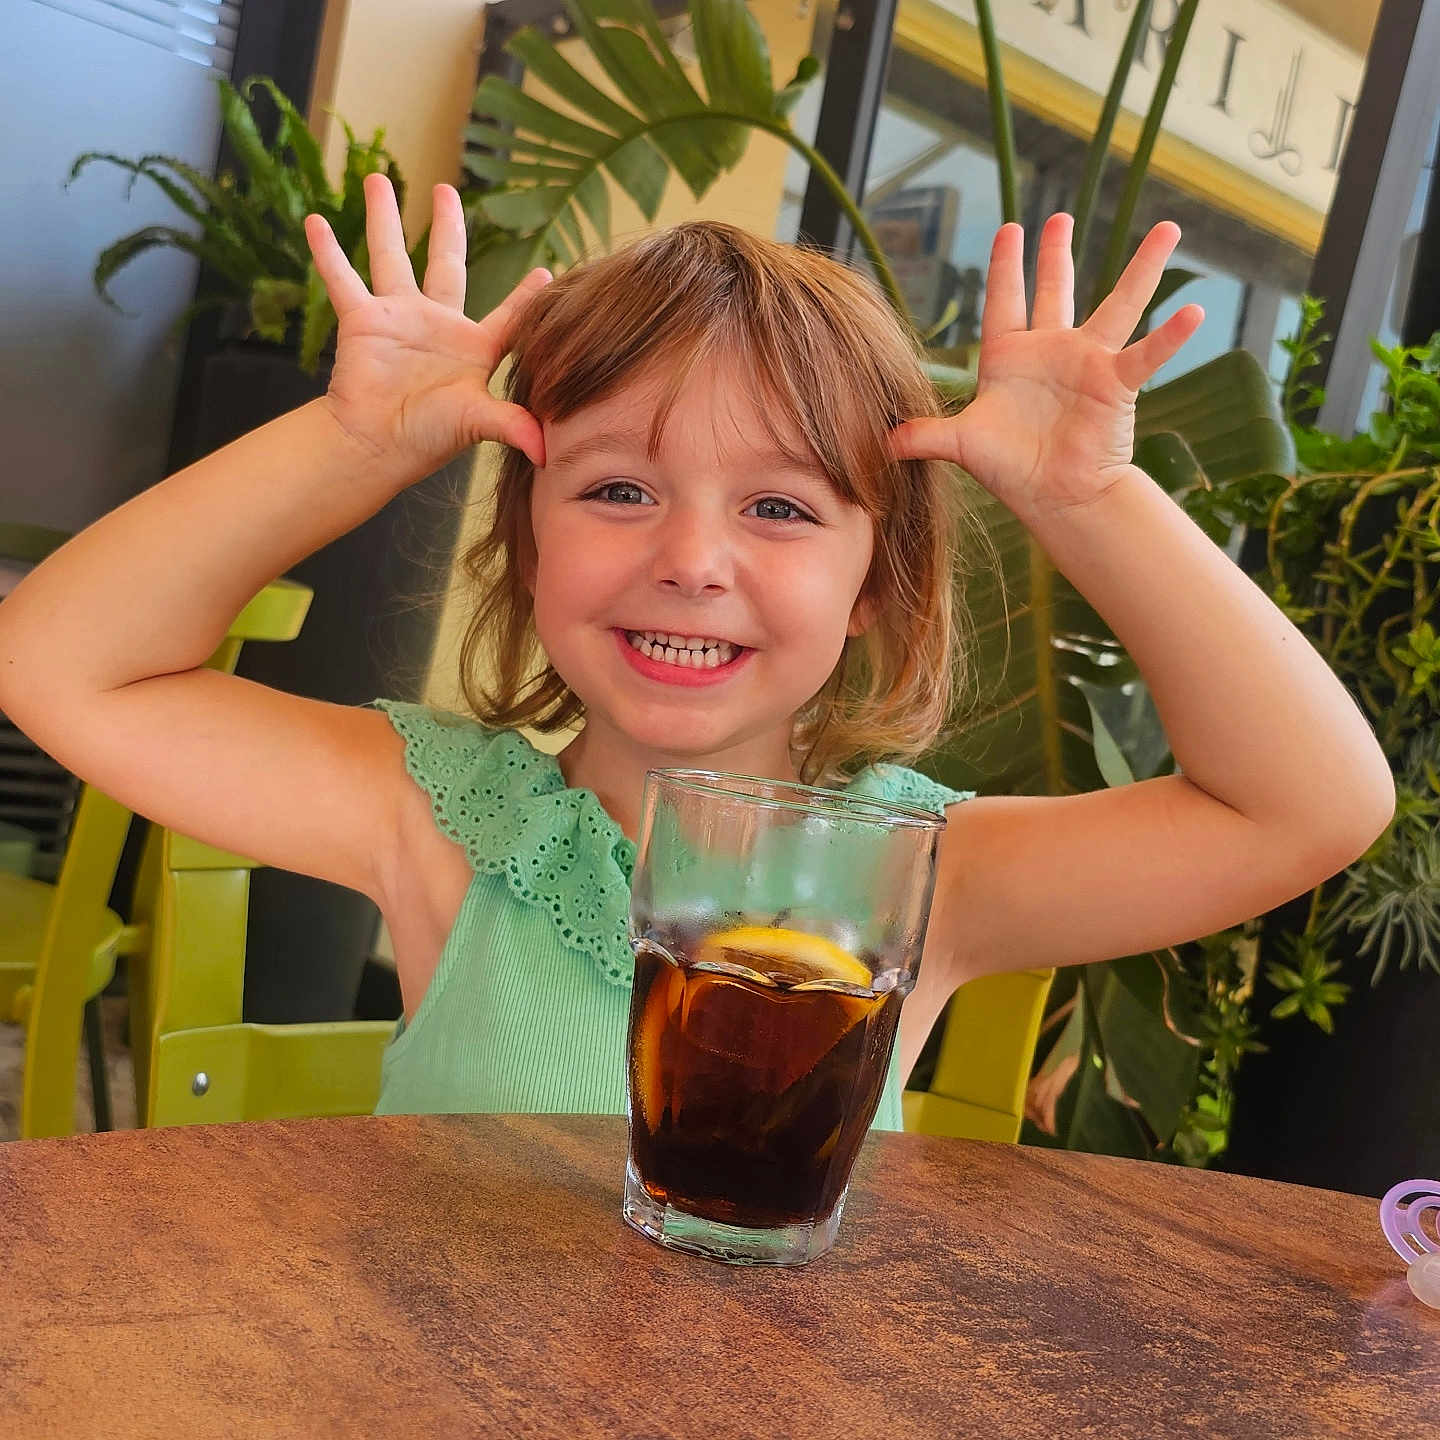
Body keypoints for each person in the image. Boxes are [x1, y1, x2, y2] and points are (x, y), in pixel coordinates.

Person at [0, 175, 1395, 1127]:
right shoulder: (435, 820)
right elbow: (62, 662)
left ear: (871, 587)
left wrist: (1088, 501)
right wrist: (355, 444)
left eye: (781, 508)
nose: (691, 558)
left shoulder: (928, 878)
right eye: (618, 489)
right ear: (529, 544)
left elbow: (1313, 808)